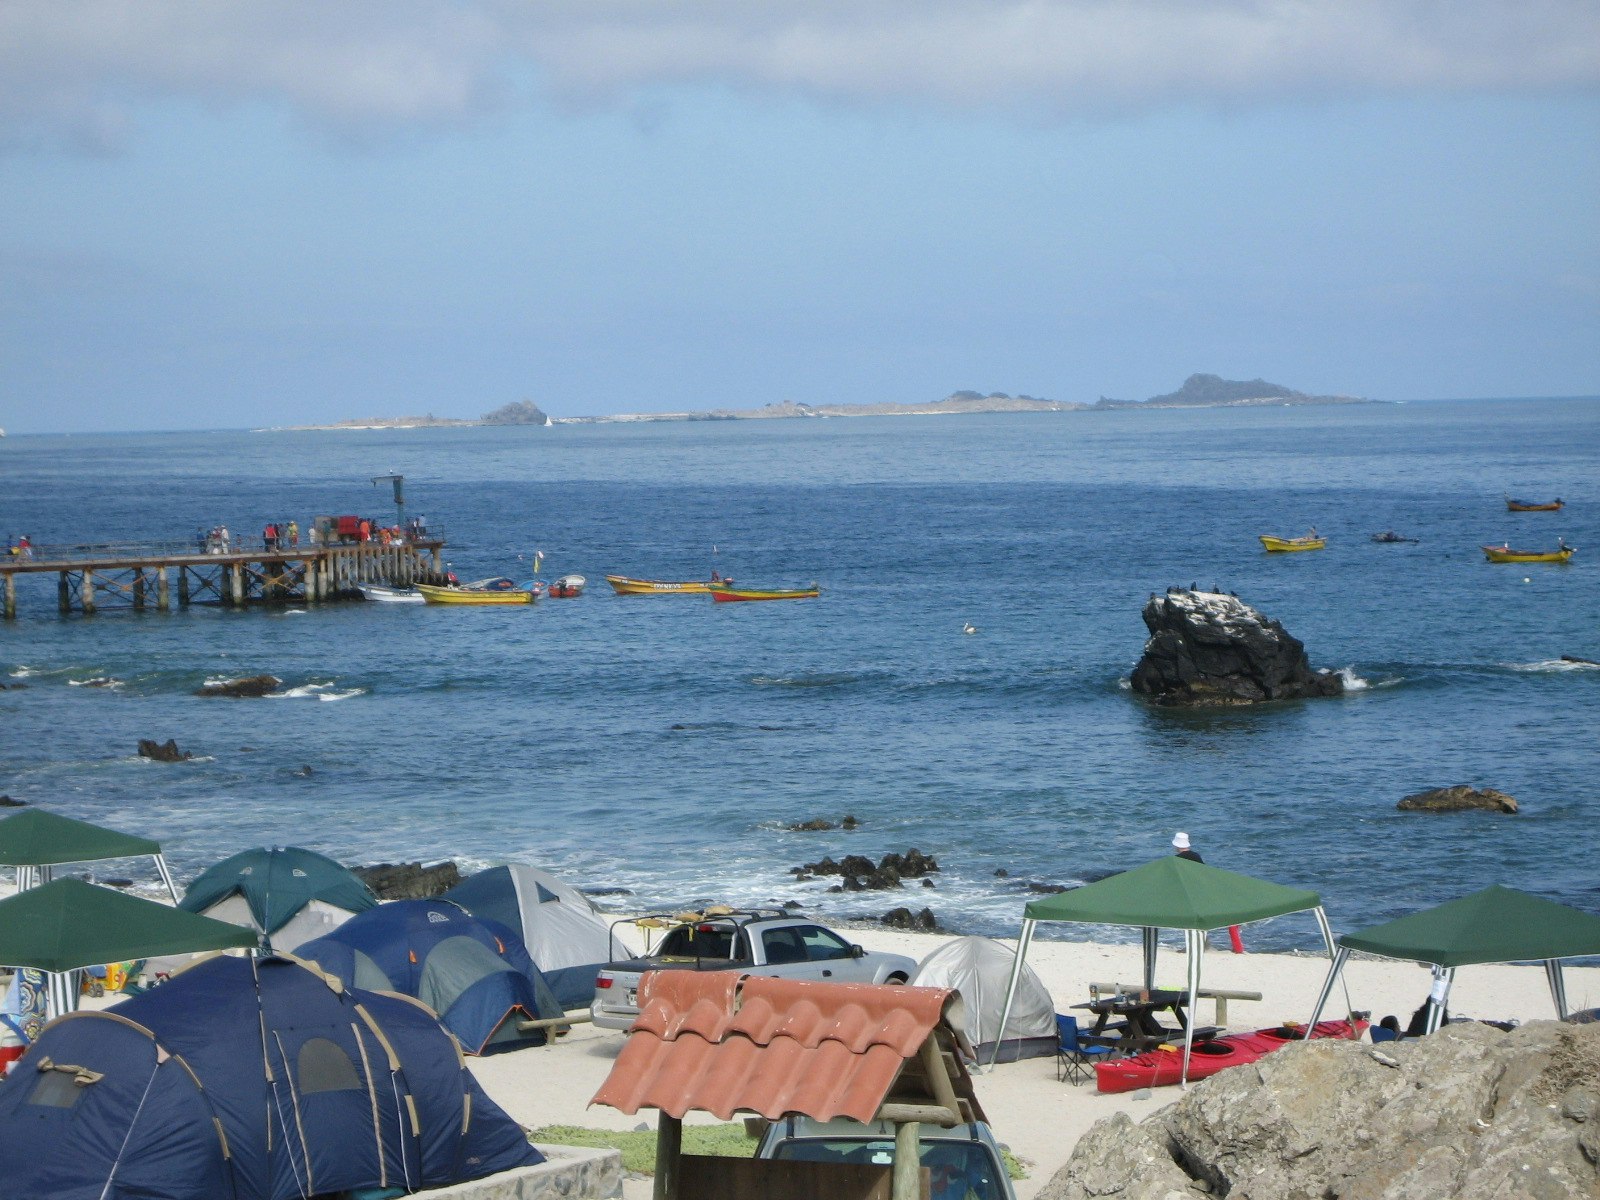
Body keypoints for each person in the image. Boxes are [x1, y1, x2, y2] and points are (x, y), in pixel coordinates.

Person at [1172, 833, 1245, 952]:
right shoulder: (1196, 856)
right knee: (1200, 918)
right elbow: (1203, 872)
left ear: (1176, 845)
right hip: (1201, 889)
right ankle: (1204, 943)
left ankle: (1196, 945)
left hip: (1189, 891)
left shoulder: (1177, 859)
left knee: (1190, 919)